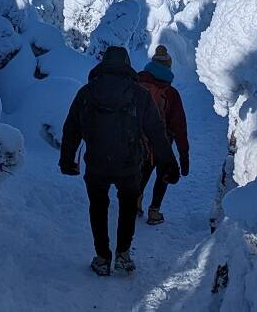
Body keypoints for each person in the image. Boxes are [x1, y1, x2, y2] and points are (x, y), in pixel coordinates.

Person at [60, 45, 179, 276]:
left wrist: (67, 160)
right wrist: (168, 164)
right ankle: (123, 255)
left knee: (98, 208)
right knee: (126, 209)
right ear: (126, 65)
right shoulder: (140, 95)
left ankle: (102, 258)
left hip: (96, 164)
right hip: (130, 165)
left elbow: (71, 128)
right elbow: (156, 132)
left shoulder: (86, 92)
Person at [136, 45, 190, 225]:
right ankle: (154, 211)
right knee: (163, 174)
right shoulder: (171, 93)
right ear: (168, 67)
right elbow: (179, 126)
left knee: (143, 170)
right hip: (162, 143)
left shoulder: (137, 83)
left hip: (138, 139)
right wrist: (183, 155)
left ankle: (135, 203)